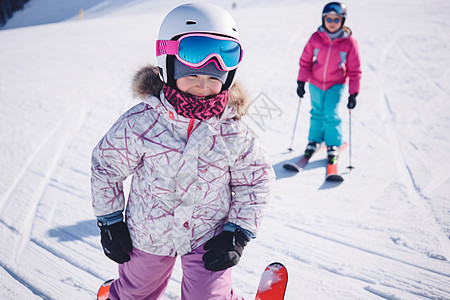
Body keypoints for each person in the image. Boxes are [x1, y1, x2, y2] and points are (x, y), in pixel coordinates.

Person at [91, 3, 275, 299]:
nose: (203, 87)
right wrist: (110, 220)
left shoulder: (232, 131)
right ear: (168, 67)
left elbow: (256, 179)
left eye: (214, 79)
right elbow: (106, 166)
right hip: (148, 235)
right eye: (192, 76)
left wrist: (237, 233)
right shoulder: (142, 122)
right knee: (134, 293)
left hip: (209, 235)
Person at [296, 2, 361, 163]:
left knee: (331, 113)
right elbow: (305, 61)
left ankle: (333, 144)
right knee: (316, 112)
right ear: (323, 19)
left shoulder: (349, 42)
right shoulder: (316, 38)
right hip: (315, 82)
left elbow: (355, 69)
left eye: (336, 20)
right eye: (329, 19)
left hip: (336, 83)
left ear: (342, 21)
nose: (332, 23)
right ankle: (314, 140)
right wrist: (301, 82)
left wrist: (353, 93)